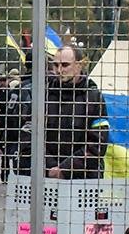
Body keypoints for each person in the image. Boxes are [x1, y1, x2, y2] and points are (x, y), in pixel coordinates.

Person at [22, 44, 109, 179]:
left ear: (79, 66)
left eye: (65, 65)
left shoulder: (94, 98)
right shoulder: (42, 95)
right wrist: (50, 167)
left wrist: (65, 169)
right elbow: (28, 137)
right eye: (56, 65)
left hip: (83, 180)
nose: (59, 70)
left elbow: (98, 144)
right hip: (45, 178)